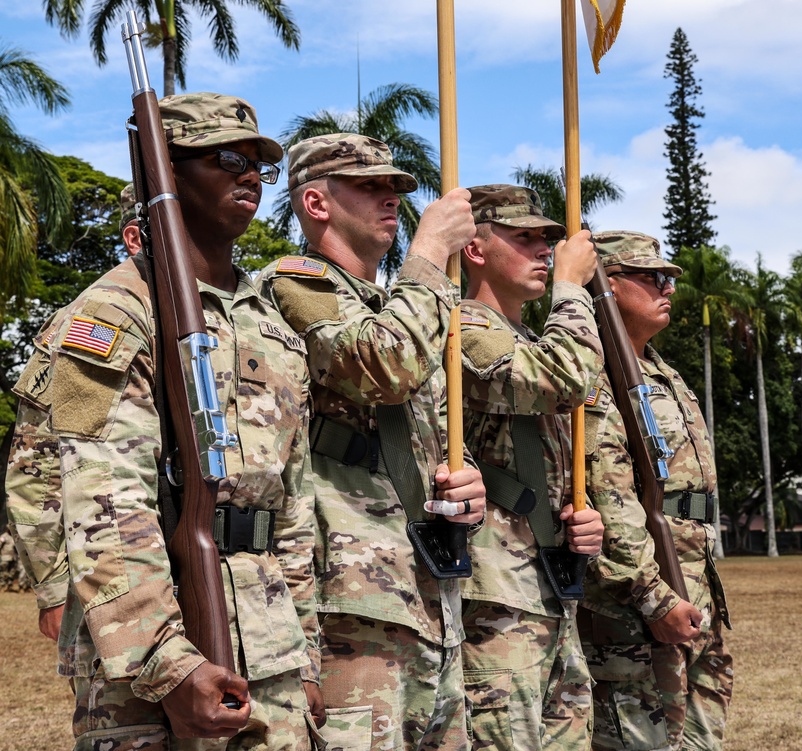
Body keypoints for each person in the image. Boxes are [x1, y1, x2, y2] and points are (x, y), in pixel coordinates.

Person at [45, 93, 324, 749]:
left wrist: (305, 649)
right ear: (162, 173)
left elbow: (295, 508)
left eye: (260, 163)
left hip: (272, 650)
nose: (250, 174)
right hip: (144, 672)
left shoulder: (274, 329)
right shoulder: (115, 313)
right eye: (227, 157)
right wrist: (168, 665)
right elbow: (103, 503)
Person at [254, 133, 486, 751]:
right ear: (316, 203)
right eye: (370, 187)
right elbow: (385, 366)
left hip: (430, 591)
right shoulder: (294, 284)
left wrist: (466, 486)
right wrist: (432, 249)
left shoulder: (401, 301)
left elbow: (420, 436)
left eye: (396, 189)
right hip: (352, 605)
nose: (392, 199)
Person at [457, 184, 605, 750]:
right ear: (476, 248)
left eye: (549, 241)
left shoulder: (526, 337)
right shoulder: (462, 329)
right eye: (524, 239)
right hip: (494, 588)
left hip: (548, 581)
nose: (544, 252)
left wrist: (580, 519)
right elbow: (567, 379)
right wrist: (571, 288)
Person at [579, 230, 733, 751]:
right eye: (651, 277)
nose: (667, 287)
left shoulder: (662, 373)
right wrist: (652, 596)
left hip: (693, 586)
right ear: (607, 285)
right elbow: (608, 497)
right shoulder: (594, 374)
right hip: (638, 602)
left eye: (668, 277)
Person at [5, 182, 143, 643]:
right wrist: (52, 589)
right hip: (108, 568)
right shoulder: (87, 320)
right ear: (135, 239)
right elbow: (33, 465)